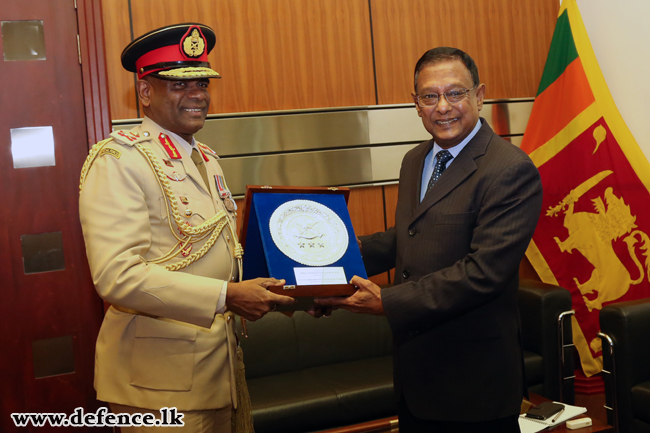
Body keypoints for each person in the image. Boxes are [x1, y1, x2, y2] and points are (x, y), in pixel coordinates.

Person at [79, 23, 294, 433]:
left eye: (201, 83)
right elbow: (117, 277)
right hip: (159, 386)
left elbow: (221, 252)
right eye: (178, 85)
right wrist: (228, 295)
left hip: (219, 372)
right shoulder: (120, 161)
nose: (197, 94)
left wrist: (298, 288)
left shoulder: (206, 158)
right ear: (145, 92)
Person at [316, 47, 543, 432]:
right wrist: (324, 259)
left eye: (455, 93)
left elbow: (483, 273)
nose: (443, 106)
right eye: (429, 96)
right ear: (416, 104)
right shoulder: (415, 160)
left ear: (480, 96)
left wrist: (385, 301)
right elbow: (404, 238)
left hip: (474, 384)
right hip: (414, 376)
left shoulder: (510, 169)